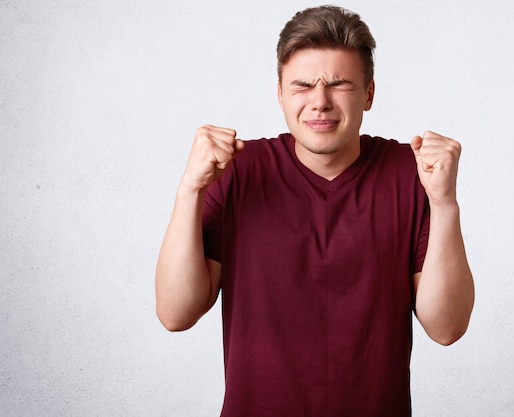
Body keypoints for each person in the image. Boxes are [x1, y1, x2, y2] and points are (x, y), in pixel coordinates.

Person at [156, 5, 474, 416]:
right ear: (280, 94)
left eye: (339, 84)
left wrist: (445, 202)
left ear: (369, 94)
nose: (319, 102)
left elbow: (446, 328)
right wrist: (189, 189)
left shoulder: (412, 173)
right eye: (302, 86)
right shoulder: (235, 171)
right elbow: (175, 314)